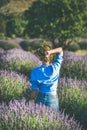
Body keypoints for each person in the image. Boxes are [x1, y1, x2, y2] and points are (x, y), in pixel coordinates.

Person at [29, 44, 63, 111]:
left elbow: (34, 91)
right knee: (54, 119)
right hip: (53, 98)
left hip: (40, 97)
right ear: (51, 56)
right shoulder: (56, 67)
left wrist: (30, 101)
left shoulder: (35, 71)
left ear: (40, 57)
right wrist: (50, 52)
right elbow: (60, 50)